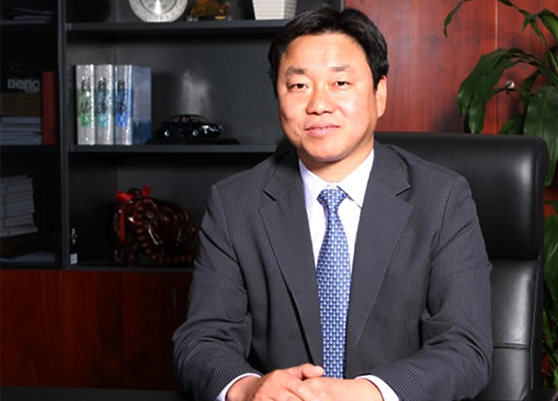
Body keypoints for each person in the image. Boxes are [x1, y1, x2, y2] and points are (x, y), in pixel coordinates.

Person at [173, 5, 492, 401]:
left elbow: (465, 348)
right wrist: (248, 388)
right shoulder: (234, 204)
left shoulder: (442, 199)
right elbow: (202, 341)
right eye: (298, 86)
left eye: (340, 82)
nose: (318, 104)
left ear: (379, 94)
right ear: (277, 97)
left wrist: (369, 394)